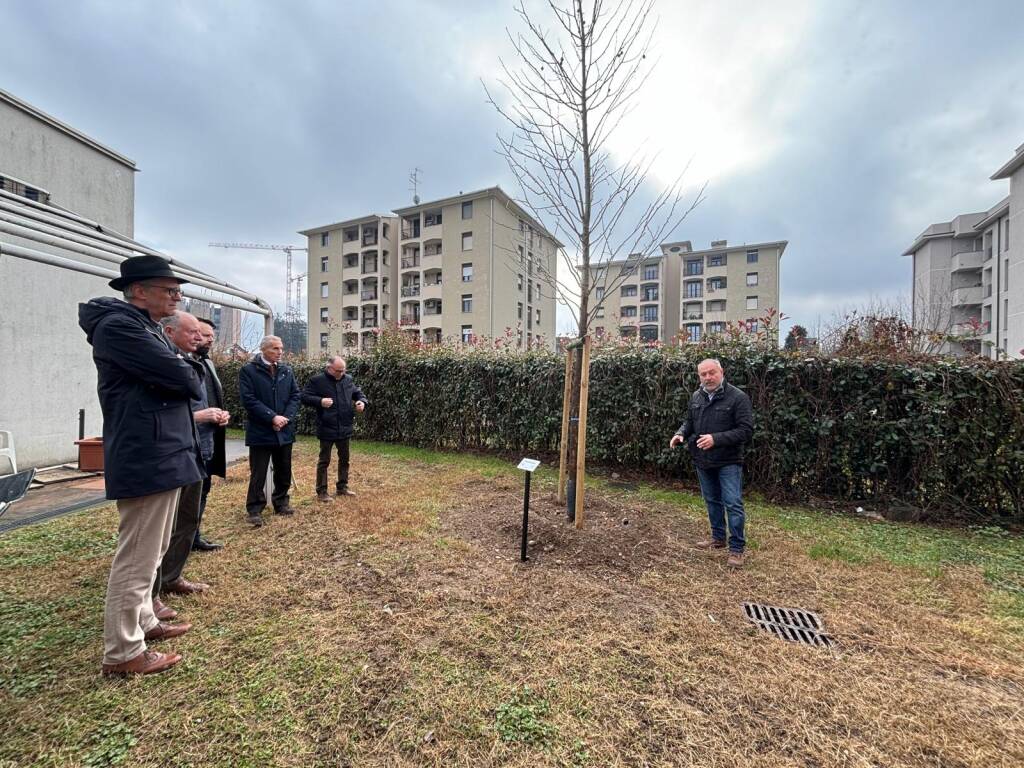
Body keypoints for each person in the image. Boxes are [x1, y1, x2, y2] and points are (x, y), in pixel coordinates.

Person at [78, 255, 202, 676]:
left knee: (153, 550)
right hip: (147, 453)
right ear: (139, 291)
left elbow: (184, 377)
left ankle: (144, 621)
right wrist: (182, 369)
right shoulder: (120, 327)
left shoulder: (143, 327)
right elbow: (187, 380)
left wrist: (181, 369)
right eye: (168, 290)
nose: (176, 296)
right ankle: (122, 652)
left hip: (161, 452)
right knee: (136, 557)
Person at [151, 311, 229, 606]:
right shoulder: (163, 363)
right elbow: (162, 411)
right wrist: (200, 415)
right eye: (195, 332)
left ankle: (172, 575)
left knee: (188, 516)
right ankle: (153, 591)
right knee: (165, 526)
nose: (202, 338)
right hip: (176, 452)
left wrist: (218, 414)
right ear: (169, 332)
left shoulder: (199, 362)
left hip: (200, 448)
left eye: (205, 334)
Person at [669, 358, 754, 568]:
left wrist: (716, 439)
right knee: (712, 500)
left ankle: (736, 549)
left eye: (711, 373)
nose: (708, 377)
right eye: (703, 374)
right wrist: (680, 434)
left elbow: (746, 431)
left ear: (721, 372)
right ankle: (718, 538)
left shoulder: (738, 398)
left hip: (728, 461)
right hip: (702, 460)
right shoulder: (697, 396)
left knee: (733, 503)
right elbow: (689, 422)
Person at [239, 335, 299, 526]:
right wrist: (271, 417)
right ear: (263, 349)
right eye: (275, 348)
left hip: (284, 430)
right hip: (261, 430)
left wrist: (285, 419)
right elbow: (248, 399)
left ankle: (281, 502)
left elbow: (295, 396)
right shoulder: (249, 371)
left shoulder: (286, 370)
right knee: (259, 472)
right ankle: (255, 509)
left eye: (281, 348)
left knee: (284, 468)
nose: (280, 352)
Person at [301, 356, 368, 502]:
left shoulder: (347, 379)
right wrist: (320, 401)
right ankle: (322, 492)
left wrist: (361, 402)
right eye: (339, 371)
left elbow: (358, 393)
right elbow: (304, 397)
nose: (342, 373)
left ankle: (342, 487)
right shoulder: (317, 381)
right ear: (329, 368)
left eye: (344, 370)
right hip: (326, 427)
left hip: (345, 426)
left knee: (345, 459)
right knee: (324, 460)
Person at [192, 317, 228, 552]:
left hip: (209, 438)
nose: (208, 341)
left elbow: (211, 396)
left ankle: (193, 536)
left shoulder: (207, 363)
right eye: (205, 336)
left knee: (203, 488)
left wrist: (222, 414)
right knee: (188, 493)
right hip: (188, 440)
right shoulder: (178, 363)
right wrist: (199, 416)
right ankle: (180, 540)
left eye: (211, 338)